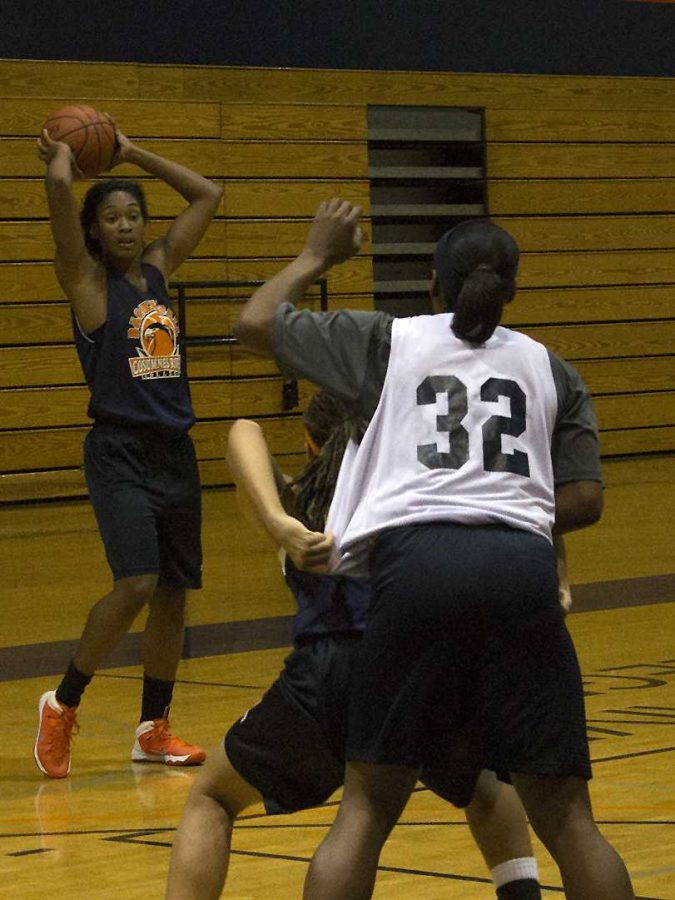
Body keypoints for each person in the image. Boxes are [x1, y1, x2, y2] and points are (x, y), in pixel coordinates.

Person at [232, 200, 635, 899]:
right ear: (510, 289)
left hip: (415, 571)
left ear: (432, 284)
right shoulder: (552, 369)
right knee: (568, 818)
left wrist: (313, 257)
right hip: (521, 571)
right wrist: (500, 511)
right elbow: (585, 498)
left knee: (366, 807)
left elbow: (253, 324)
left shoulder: (386, 342)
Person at [166, 390, 543, 899]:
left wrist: (279, 522)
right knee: (487, 787)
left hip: (333, 675)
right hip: (422, 668)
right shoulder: (416, 492)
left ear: (308, 445)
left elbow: (242, 431)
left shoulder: (299, 506)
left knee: (213, 796)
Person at [33, 122, 223, 779]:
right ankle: (62, 703)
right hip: (118, 450)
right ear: (92, 231)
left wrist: (132, 151)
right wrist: (64, 160)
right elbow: (60, 193)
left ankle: (153, 729)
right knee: (137, 581)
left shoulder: (158, 271)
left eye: (133, 215)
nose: (124, 226)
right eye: (110, 217)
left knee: (172, 592)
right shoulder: (86, 283)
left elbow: (207, 195)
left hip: (175, 450)